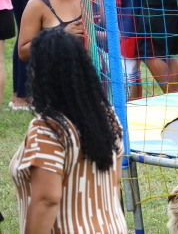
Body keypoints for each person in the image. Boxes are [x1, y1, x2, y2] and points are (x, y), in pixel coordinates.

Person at [11, 27, 125, 234]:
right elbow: (113, 183)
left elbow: (47, 200)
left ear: (40, 72)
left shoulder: (49, 128)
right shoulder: (108, 117)